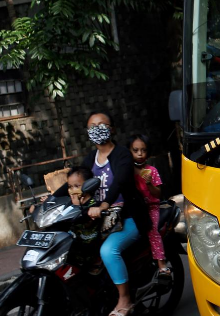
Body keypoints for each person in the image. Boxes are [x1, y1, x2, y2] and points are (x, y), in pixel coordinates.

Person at [53, 111, 150, 316]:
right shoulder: (91, 159)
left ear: (112, 129)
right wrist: (50, 200)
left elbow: (121, 181)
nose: (97, 129)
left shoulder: (122, 154)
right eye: (92, 126)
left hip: (127, 217)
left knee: (108, 251)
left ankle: (125, 299)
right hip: (99, 218)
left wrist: (105, 203)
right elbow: (71, 183)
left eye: (102, 125)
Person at [128, 134, 170, 277]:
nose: (140, 154)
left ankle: (162, 264)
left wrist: (149, 183)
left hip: (151, 207)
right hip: (134, 208)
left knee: (152, 231)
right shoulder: (127, 171)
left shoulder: (152, 171)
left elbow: (158, 193)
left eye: (143, 150)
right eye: (135, 150)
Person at [64, 166, 102, 271]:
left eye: (77, 186)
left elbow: (87, 222)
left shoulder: (94, 204)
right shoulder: (70, 203)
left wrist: (77, 207)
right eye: (70, 187)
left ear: (88, 186)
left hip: (89, 249)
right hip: (73, 249)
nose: (72, 190)